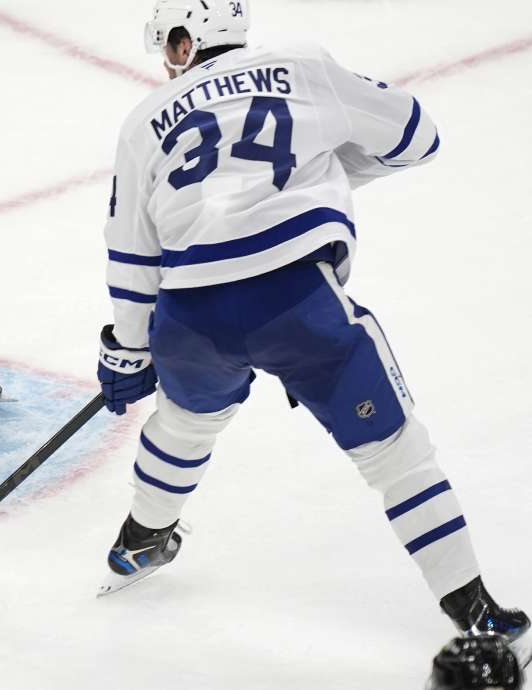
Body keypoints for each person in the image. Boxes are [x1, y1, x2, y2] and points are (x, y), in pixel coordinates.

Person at [95, 0, 527, 646]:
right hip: (297, 301)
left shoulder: (141, 123)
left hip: (191, 317)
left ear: (185, 44)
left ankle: (141, 538)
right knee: (394, 451)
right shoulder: (304, 68)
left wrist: (127, 352)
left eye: (170, 48)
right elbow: (417, 136)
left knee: (185, 424)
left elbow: (133, 255)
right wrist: (326, 167)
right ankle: (476, 611)